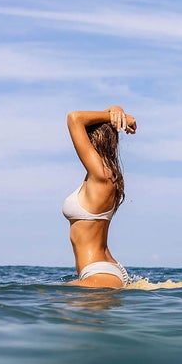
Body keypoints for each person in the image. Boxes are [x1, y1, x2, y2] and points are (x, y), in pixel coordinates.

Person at [63, 105, 137, 288]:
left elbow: (74, 117)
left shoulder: (101, 176)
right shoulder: (103, 176)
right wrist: (117, 111)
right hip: (104, 270)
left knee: (41, 300)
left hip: (100, 274)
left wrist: (124, 117)